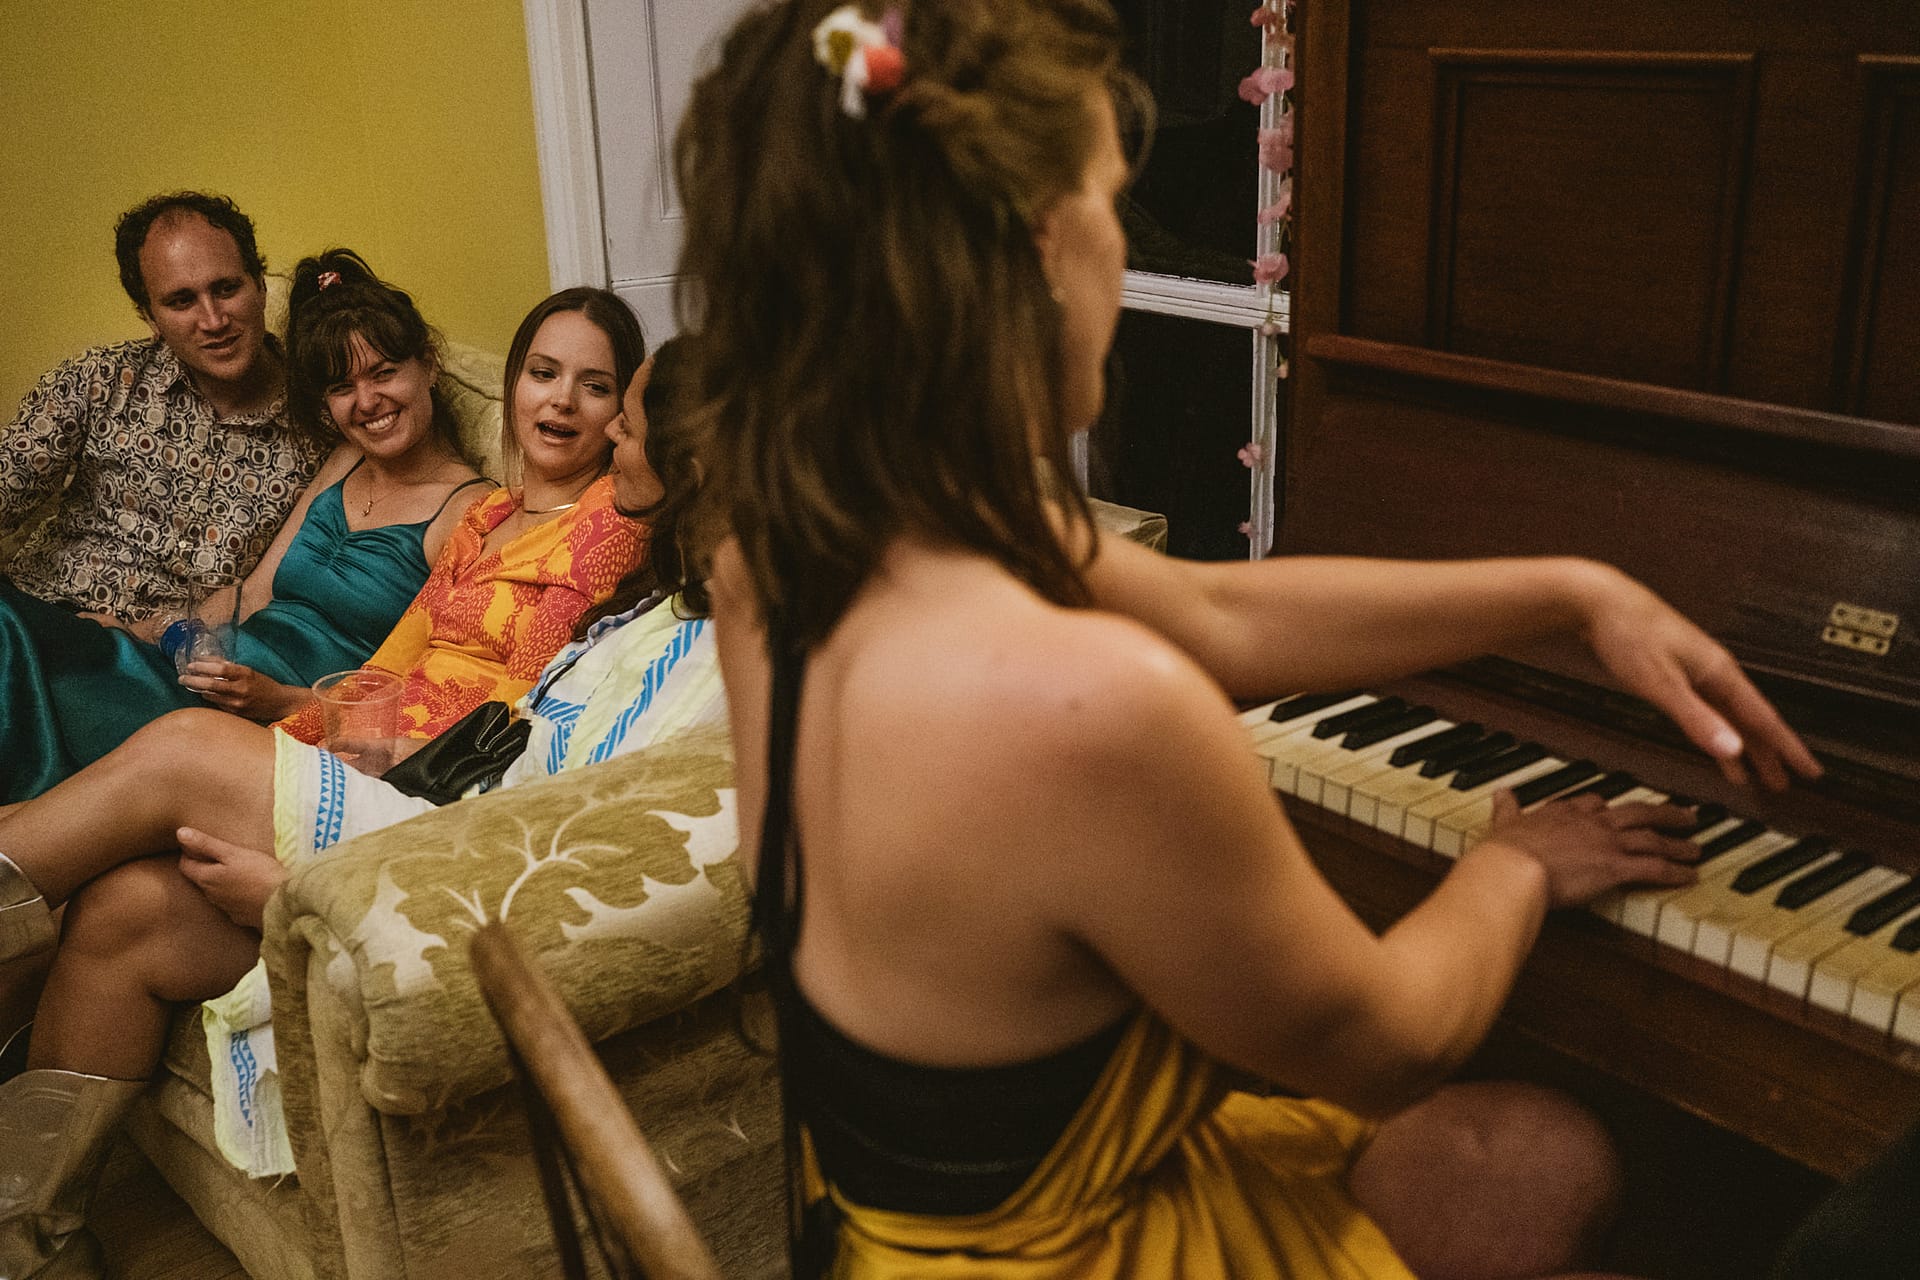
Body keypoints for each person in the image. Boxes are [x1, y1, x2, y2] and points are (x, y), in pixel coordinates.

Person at [676, 3, 1824, 1279]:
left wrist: (1573, 589)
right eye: (1116, 200)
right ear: (1048, 248)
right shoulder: (1088, 708)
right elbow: (1392, 1042)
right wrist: (1518, 866)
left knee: (1548, 1152)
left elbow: (1217, 611)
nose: (1129, 241)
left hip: (904, 1212)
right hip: (1059, 1258)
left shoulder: (782, 555)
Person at [0, 332, 695, 1276]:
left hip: (439, 826)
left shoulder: (641, 573)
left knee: (180, 753)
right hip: (407, 764)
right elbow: (407, 666)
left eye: (623, 407)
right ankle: (28, 1243)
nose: (604, 424)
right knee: (124, 909)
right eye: (545, 374)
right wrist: (308, 709)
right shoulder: (544, 542)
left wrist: (306, 880)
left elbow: (544, 787)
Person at [0, 248, 489, 802]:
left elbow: (438, 689)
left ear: (428, 364)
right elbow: (253, 591)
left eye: (383, 374)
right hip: (203, 672)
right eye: (341, 387)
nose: (367, 402)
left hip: (259, 719)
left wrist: (282, 698)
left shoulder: (470, 511)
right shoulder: (347, 460)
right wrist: (150, 631)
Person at [1, 191, 327, 617]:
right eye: (181, 301)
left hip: (159, 661)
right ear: (150, 317)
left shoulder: (325, 424)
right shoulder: (99, 379)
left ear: (261, 286)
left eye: (226, 289)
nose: (213, 321)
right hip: (31, 621)